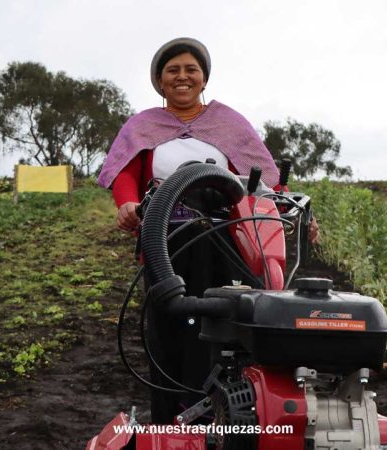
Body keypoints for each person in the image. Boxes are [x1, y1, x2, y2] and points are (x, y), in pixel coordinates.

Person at [97, 37, 318, 423]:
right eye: (172, 70)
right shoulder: (142, 126)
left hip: (226, 240)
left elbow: (263, 183)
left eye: (191, 69)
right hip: (167, 241)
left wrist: (299, 214)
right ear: (160, 81)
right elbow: (126, 175)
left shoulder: (228, 123)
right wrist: (127, 204)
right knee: (168, 328)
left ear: (204, 78)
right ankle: (170, 419)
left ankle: (223, 415)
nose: (182, 77)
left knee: (223, 323)